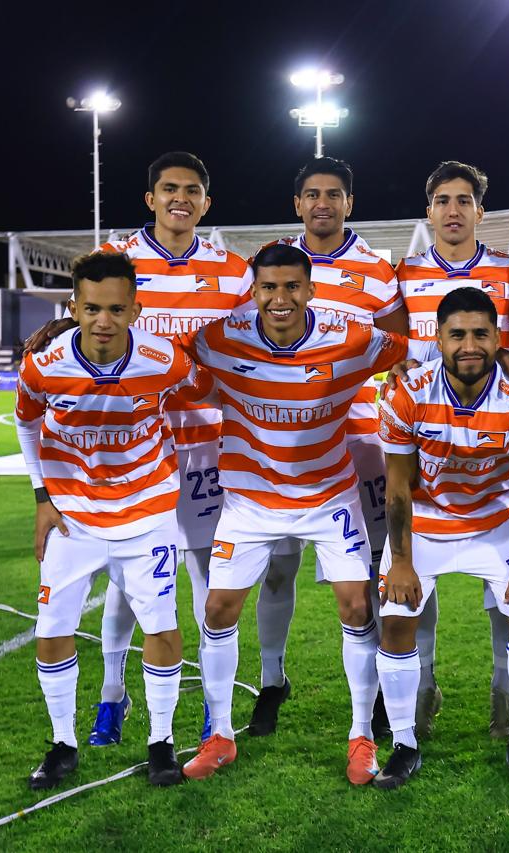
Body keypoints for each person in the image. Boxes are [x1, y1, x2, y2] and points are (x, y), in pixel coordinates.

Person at [23, 152, 254, 747]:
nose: (181, 199)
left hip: (204, 446)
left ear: (206, 202)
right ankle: (112, 696)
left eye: (192, 190)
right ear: (150, 198)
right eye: (169, 189)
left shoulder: (234, 273)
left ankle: (214, 710)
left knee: (207, 581)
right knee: (124, 589)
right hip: (128, 451)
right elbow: (87, 319)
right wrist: (56, 331)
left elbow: (246, 348)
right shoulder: (119, 257)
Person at [180, 243, 408, 785]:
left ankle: (361, 736)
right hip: (249, 501)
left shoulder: (352, 337)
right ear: (254, 291)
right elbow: (148, 349)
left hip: (328, 498)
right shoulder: (218, 338)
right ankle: (219, 735)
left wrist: (504, 357)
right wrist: (68, 332)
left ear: (310, 289)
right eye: (268, 287)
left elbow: (417, 348)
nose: (279, 298)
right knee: (218, 609)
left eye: (290, 287)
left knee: (357, 606)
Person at [15, 252, 210, 789]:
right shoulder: (43, 365)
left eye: (117, 309)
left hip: (147, 515)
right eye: (92, 308)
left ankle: (161, 742)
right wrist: (41, 496)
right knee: (52, 630)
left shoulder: (163, 360)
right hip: (73, 520)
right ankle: (63, 745)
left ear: (135, 310)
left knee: (162, 626)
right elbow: (26, 424)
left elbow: (207, 388)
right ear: (74, 306)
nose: (104, 321)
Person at [249, 157, 416, 740]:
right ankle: (272, 680)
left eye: (334, 194)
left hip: (359, 442)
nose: (323, 203)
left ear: (349, 203)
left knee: (366, 573)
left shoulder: (376, 270)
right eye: (313, 194)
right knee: (278, 567)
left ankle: (375, 697)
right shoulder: (269, 263)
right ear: (297, 204)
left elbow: (400, 346)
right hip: (282, 443)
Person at [376, 286, 509, 789]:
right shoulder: (406, 392)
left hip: (496, 519)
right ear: (438, 339)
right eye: (457, 335)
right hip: (427, 519)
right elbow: (397, 486)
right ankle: (404, 744)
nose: (470, 345)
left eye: (481, 334)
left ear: (499, 338)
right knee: (395, 619)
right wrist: (401, 562)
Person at [394, 160, 509, 737]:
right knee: (418, 572)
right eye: (443, 200)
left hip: (497, 439)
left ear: (479, 211)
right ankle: (423, 686)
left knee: (507, 582)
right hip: (422, 437)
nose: (453, 210)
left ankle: (505, 691)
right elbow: (393, 346)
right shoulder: (405, 275)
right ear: (429, 211)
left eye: (463, 200)